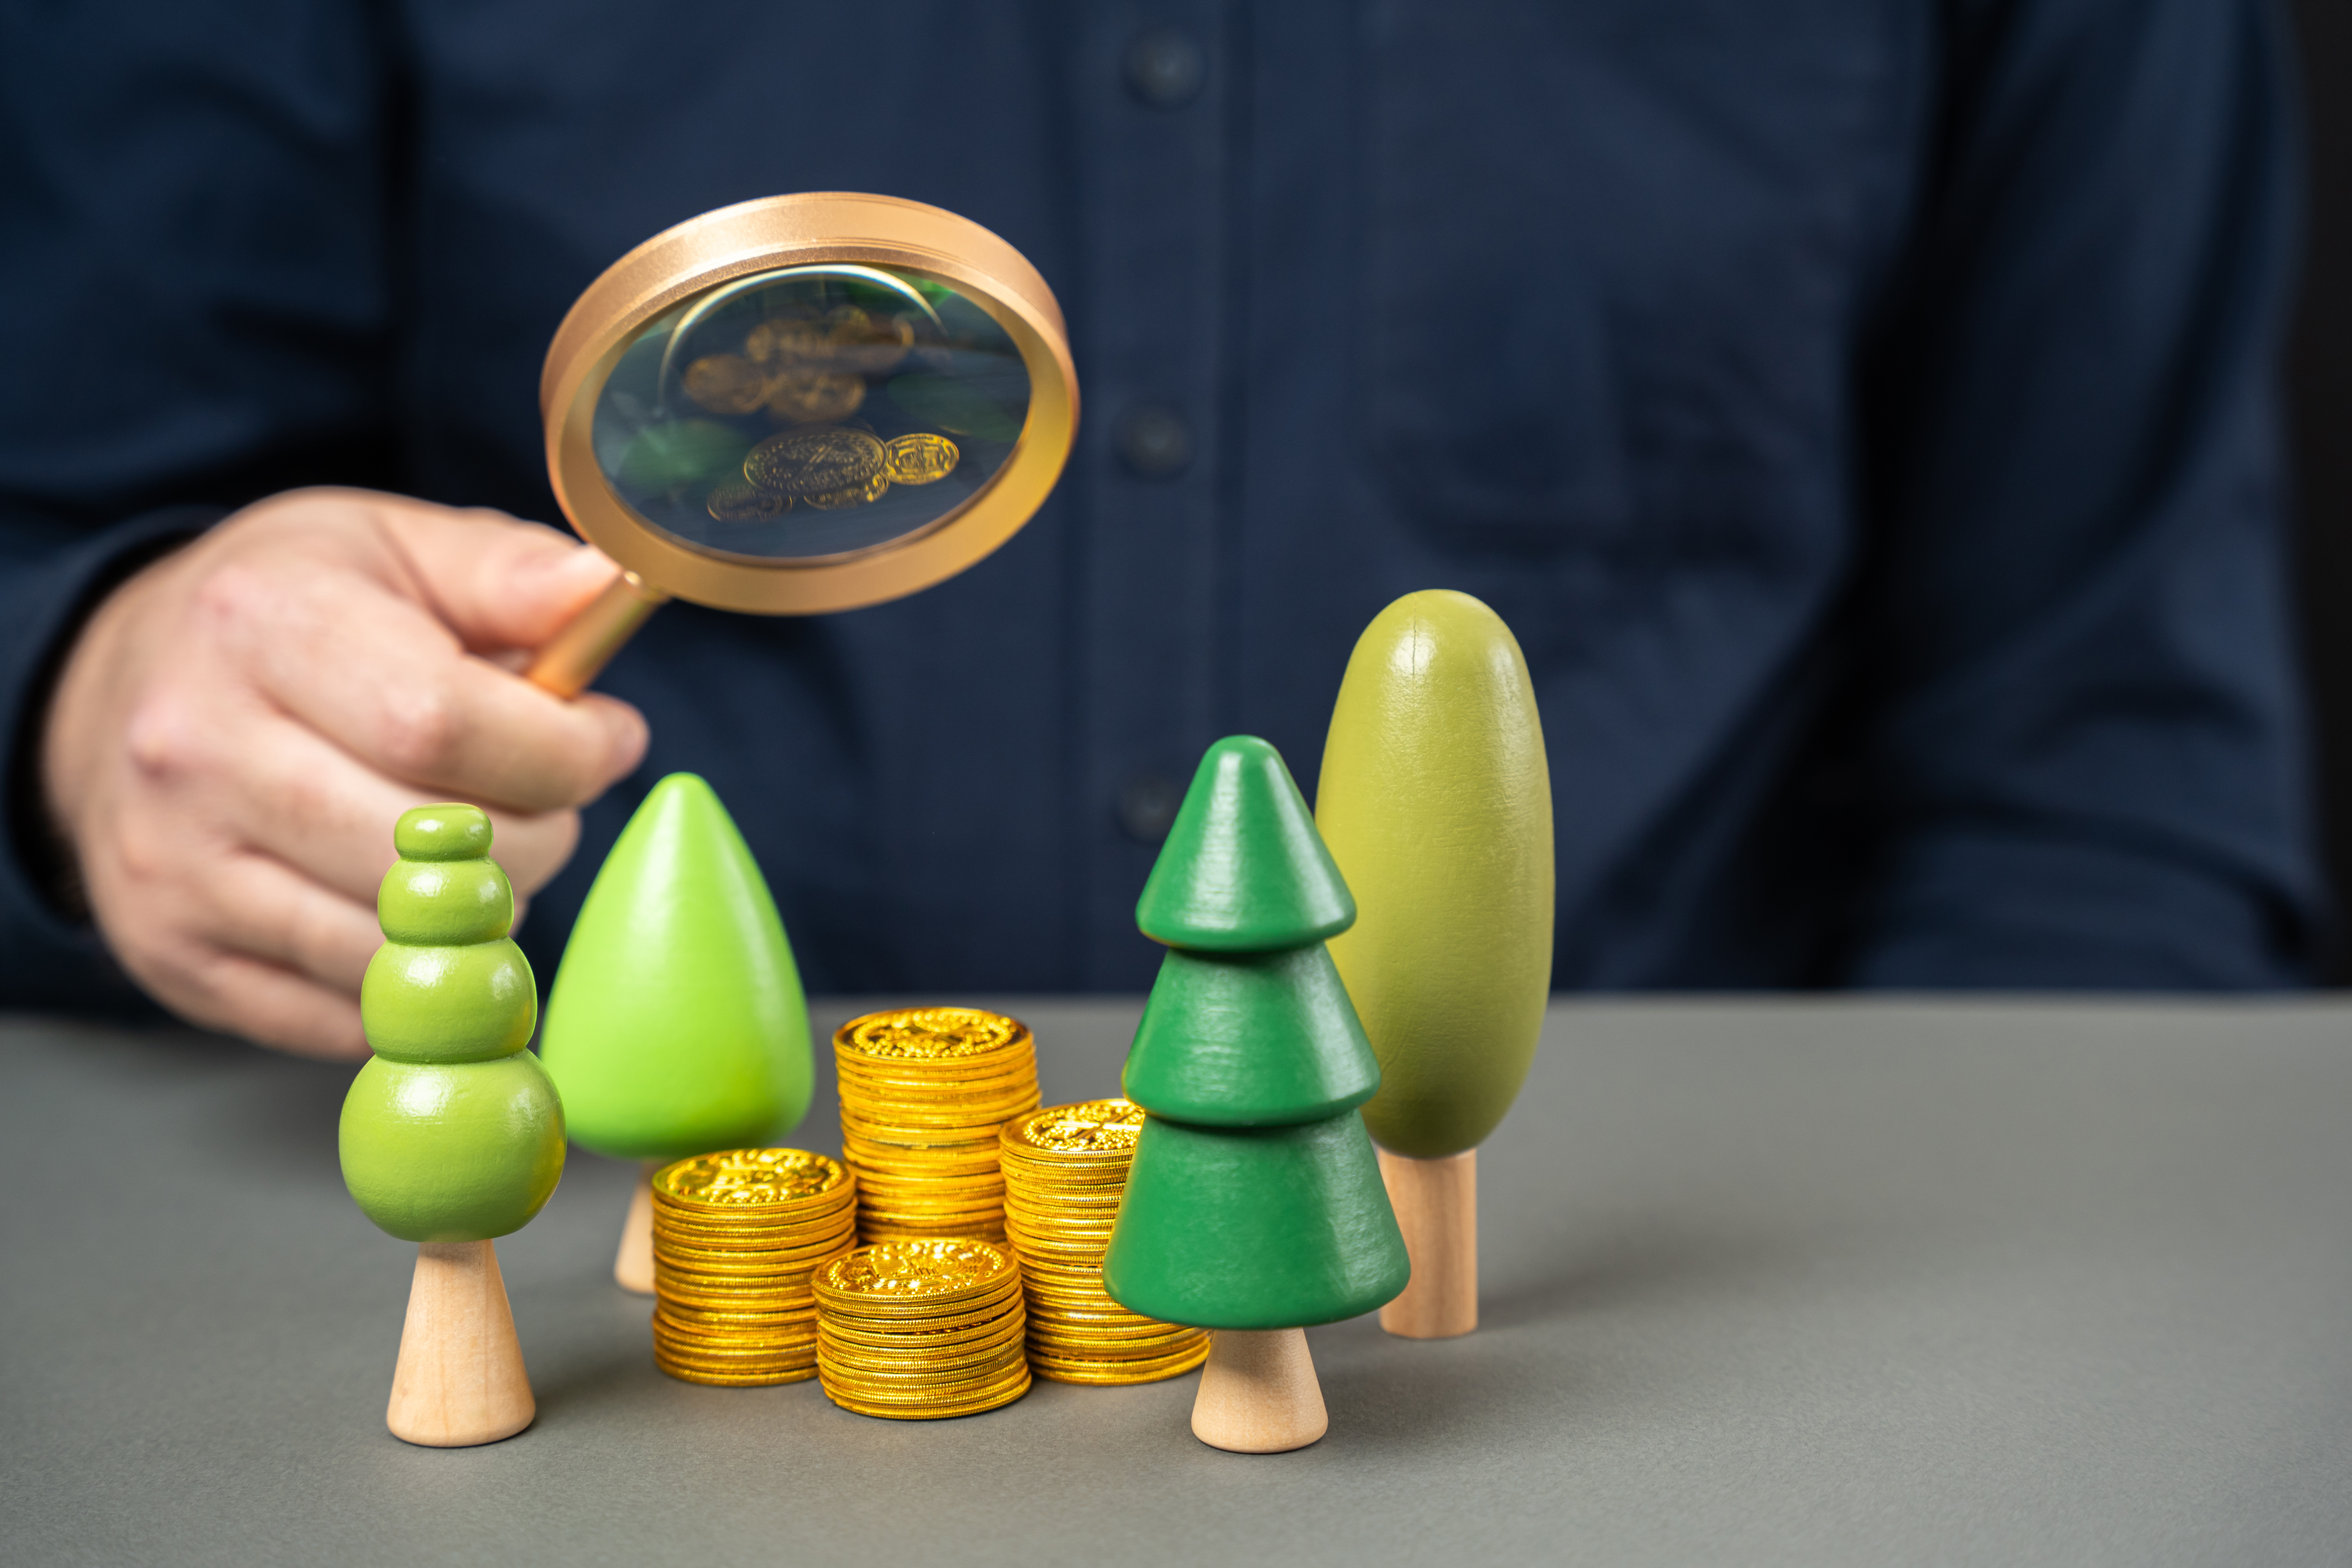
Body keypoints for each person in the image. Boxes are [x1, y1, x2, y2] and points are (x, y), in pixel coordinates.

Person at [0, 0, 2322, 1060]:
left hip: (1645, 1354)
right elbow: (60, 523)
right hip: (583, 1304)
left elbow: (2107, 788)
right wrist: (98, 694)